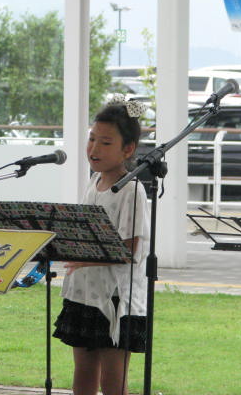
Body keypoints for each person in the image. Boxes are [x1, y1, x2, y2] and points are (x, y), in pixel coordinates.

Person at [52, 96, 150, 395]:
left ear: (128, 149)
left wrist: (84, 256)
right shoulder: (94, 181)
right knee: (83, 374)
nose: (94, 149)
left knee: (112, 381)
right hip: (84, 293)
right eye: (92, 139)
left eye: (106, 142)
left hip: (115, 300)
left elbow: (129, 250)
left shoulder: (132, 190)